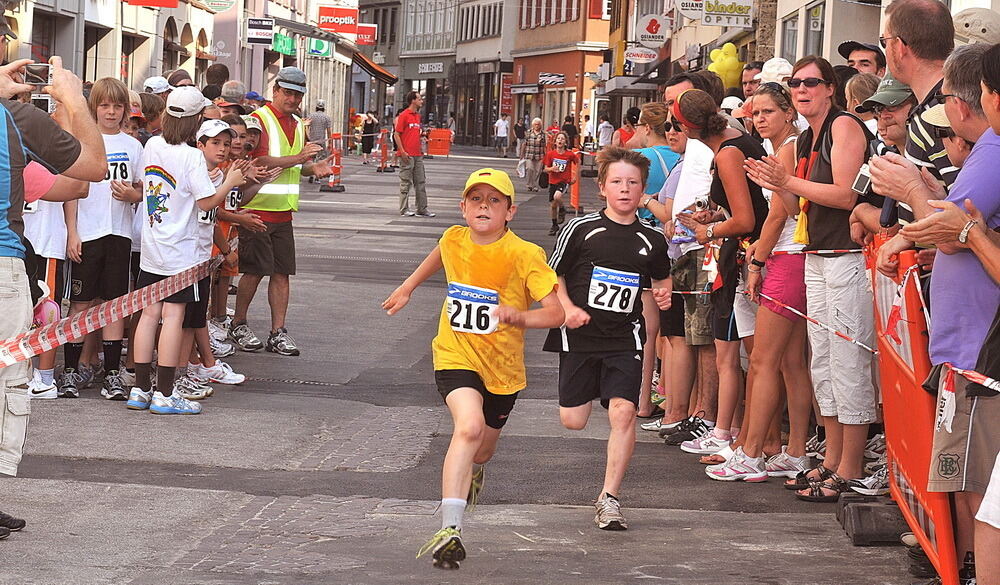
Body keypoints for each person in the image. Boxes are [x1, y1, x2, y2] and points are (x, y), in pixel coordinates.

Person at [382, 168, 563, 569]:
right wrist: (408, 286)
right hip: (455, 354)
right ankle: (450, 529)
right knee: (468, 427)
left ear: (510, 211)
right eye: (476, 199)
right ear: (463, 207)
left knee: (482, 448)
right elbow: (440, 254)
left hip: (503, 369)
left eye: (494, 200)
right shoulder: (453, 237)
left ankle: (474, 470)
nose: (484, 206)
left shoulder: (525, 254)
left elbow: (556, 313)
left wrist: (520, 316)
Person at [875, 42, 1000, 571]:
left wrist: (913, 196)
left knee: (978, 488)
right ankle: (965, 564)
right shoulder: (989, 148)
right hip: (970, 347)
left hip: (979, 352)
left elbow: (953, 231)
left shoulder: (993, 148)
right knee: (971, 482)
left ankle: (966, 568)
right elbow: (955, 229)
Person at [745, 56, 875, 502]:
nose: (802, 90)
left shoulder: (844, 126)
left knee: (847, 361)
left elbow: (846, 194)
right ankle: (833, 458)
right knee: (823, 363)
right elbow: (794, 205)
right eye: (796, 83)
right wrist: (776, 182)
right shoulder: (805, 138)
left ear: (830, 88)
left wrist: (787, 181)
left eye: (811, 83)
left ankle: (850, 465)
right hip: (815, 253)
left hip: (845, 255)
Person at [0, 54, 108, 541]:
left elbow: (71, 187)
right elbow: (93, 168)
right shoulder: (14, 118)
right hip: (2, 265)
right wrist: (71, 100)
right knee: (5, 385)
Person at [544, 147, 672, 531]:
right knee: (573, 420)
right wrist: (567, 307)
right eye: (617, 181)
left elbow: (661, 277)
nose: (625, 189)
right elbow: (552, 275)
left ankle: (609, 498)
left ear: (642, 190)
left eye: (633, 183)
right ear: (602, 188)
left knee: (623, 412)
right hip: (580, 336)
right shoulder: (580, 229)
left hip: (624, 337)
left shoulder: (652, 238)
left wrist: (664, 292)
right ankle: (596, 389)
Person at [708, 81, 812, 481]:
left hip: (786, 257)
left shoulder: (787, 148)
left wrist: (757, 260)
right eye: (755, 113)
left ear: (788, 113)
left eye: (768, 111)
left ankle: (752, 453)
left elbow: (781, 214)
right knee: (790, 362)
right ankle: (795, 450)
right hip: (791, 256)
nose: (760, 119)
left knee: (765, 361)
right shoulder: (781, 148)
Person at [128, 86, 248, 415]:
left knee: (149, 315)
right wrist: (230, 181)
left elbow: (149, 187)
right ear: (196, 121)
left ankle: (140, 389)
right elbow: (207, 202)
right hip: (182, 252)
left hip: (153, 246)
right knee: (173, 316)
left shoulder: (153, 145)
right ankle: (165, 394)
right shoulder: (192, 156)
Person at [671, 89, 769, 458]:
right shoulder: (736, 141)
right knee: (755, 360)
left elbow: (745, 219)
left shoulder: (728, 153)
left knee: (755, 359)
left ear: (688, 128)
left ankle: (747, 440)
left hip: (747, 257)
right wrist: (714, 216)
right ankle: (746, 438)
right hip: (750, 253)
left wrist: (708, 230)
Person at [229, 67, 334, 356]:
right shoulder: (259, 120)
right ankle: (238, 323)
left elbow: (293, 167)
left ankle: (278, 332)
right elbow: (257, 160)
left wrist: (313, 168)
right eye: (287, 93)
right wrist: (299, 158)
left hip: (283, 211)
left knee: (281, 273)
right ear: (275, 91)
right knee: (253, 272)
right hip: (256, 209)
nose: (292, 99)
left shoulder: (298, 124)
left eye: (297, 95)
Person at [60, 77, 144, 400]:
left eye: (117, 106)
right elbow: (71, 190)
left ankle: (111, 373)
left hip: (119, 235)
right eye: (105, 105)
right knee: (80, 303)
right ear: (93, 107)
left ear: (125, 110)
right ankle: (70, 370)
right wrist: (72, 231)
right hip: (88, 233)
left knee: (114, 305)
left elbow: (142, 189)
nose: (111, 112)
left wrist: (133, 195)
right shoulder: (83, 141)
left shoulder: (133, 146)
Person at [631, 102, 680, 418]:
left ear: (646, 127)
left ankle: (642, 397)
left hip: (645, 239)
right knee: (671, 330)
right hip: (676, 243)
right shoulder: (681, 157)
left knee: (646, 327)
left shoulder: (640, 159)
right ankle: (666, 393)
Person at [395, 91, 435, 218]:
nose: (421, 101)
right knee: (405, 182)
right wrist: (402, 151)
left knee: (420, 181)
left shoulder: (417, 116)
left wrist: (422, 135)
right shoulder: (404, 115)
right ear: (413, 100)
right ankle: (404, 209)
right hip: (407, 154)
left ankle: (422, 208)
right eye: (419, 99)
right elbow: (397, 134)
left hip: (417, 154)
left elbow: (413, 133)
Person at [542, 131, 578, 236]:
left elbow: (577, 162)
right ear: (555, 142)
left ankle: (562, 209)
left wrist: (575, 176)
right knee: (553, 206)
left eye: (562, 139)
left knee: (557, 196)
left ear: (566, 142)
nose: (560, 140)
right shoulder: (551, 154)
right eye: (558, 139)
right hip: (553, 181)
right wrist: (552, 169)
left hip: (564, 181)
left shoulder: (569, 154)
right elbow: (545, 169)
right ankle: (554, 225)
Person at [305, 99, 333, 182]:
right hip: (321, 141)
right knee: (320, 159)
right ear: (324, 107)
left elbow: (306, 127)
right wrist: (330, 142)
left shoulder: (311, 116)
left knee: (312, 158)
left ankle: (311, 174)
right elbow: (329, 131)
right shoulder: (326, 117)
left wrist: (307, 136)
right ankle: (317, 177)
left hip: (312, 140)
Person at [521, 117, 545, 192]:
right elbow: (524, 144)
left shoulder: (543, 134)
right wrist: (521, 155)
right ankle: (529, 185)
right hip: (529, 154)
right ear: (533, 125)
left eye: (538, 124)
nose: (537, 126)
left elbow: (545, 145)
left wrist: (546, 156)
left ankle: (534, 185)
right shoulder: (528, 133)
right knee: (529, 169)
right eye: (535, 124)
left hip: (540, 155)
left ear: (540, 125)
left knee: (538, 171)